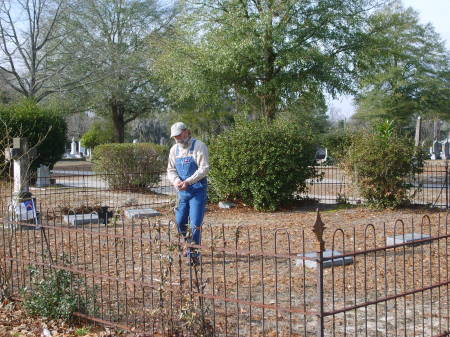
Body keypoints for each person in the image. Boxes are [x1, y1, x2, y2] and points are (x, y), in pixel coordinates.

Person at [167, 122, 209, 265]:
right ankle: (187, 244)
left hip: (197, 190)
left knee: (195, 224)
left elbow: (204, 168)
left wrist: (188, 182)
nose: (177, 139)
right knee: (179, 222)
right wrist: (177, 181)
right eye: (175, 137)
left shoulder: (199, 146)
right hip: (182, 192)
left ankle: (194, 254)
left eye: (179, 135)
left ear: (186, 132)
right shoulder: (174, 150)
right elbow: (170, 170)